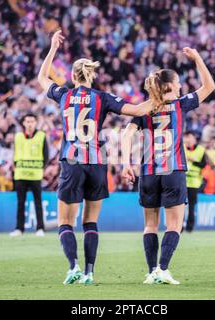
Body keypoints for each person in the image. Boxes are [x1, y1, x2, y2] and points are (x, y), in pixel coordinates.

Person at [37, 30, 154, 285]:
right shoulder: (102, 97)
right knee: (90, 221)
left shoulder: (64, 94)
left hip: (72, 161)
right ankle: (90, 272)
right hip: (97, 163)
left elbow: (41, 77)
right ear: (92, 75)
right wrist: (159, 98)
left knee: (65, 222)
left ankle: (73, 267)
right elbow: (136, 109)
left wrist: (53, 48)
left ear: (72, 76)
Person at [122, 47, 215, 285]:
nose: (182, 86)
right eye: (179, 83)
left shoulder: (143, 109)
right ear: (170, 86)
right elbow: (209, 87)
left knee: (150, 225)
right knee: (174, 224)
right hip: (173, 170)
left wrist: (125, 163)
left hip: (149, 172)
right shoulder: (179, 104)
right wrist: (198, 59)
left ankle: (152, 271)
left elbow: (126, 133)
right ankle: (163, 269)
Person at [10, 113, 49, 237]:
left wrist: (40, 168)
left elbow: (46, 156)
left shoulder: (41, 136)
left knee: (38, 202)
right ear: (23, 123)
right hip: (21, 174)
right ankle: (19, 229)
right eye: (27, 121)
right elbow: (15, 154)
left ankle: (40, 228)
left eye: (32, 121)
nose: (30, 124)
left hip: (35, 175)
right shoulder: (18, 137)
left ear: (36, 123)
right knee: (20, 203)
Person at [183, 131, 206, 232]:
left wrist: (193, 160)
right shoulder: (181, 147)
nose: (188, 140)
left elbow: (203, 164)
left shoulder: (201, 150)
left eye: (190, 138)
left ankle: (189, 227)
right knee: (179, 205)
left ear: (194, 139)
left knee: (191, 206)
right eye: (187, 138)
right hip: (182, 180)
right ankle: (179, 227)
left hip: (194, 182)